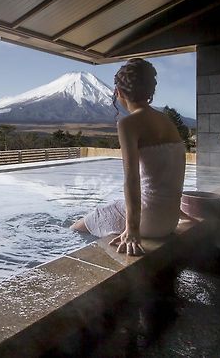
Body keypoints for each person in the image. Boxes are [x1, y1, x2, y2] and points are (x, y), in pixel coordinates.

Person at [71, 58, 186, 256]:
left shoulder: (128, 124)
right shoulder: (168, 122)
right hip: (170, 219)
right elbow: (172, 174)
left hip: (147, 222)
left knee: (77, 227)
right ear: (151, 91)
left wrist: (132, 230)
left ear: (120, 92)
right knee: (114, 206)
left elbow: (131, 179)